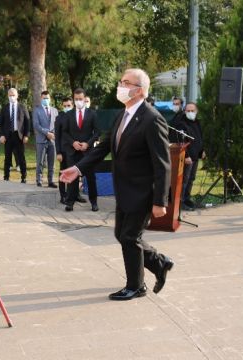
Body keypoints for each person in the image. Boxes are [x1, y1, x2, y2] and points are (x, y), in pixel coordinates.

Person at [60, 68, 174, 301]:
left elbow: (162, 164)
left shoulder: (152, 119)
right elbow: (103, 147)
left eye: (126, 82)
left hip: (142, 191)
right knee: (122, 235)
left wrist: (160, 201)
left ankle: (136, 285)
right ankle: (158, 263)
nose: (120, 86)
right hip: (123, 189)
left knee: (130, 237)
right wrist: (78, 168)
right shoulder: (123, 114)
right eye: (121, 81)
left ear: (139, 90)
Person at [62, 88, 100, 212]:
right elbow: (64, 132)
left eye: (80, 99)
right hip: (73, 152)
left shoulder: (92, 114)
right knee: (72, 177)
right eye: (76, 99)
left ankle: (94, 202)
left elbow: (97, 132)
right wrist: (73, 142)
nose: (78, 101)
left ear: (84, 99)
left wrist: (88, 144)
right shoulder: (68, 115)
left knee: (90, 177)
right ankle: (70, 202)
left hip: (87, 152)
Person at [170, 102, 204, 210]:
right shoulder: (181, 124)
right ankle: (180, 201)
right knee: (184, 180)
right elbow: (181, 141)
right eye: (188, 111)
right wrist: (186, 156)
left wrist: (202, 150)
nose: (190, 113)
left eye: (192, 111)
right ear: (184, 112)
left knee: (191, 179)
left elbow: (200, 137)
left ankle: (186, 198)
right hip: (187, 157)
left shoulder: (197, 122)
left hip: (195, 156)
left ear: (196, 111)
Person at [0, 88, 30, 183]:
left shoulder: (22, 107)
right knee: (7, 157)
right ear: (8, 96)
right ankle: (6, 176)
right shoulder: (5, 108)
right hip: (8, 136)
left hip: (19, 136)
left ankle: (24, 177)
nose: (11, 97)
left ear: (17, 95)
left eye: (13, 95)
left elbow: (27, 122)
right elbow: (0, 123)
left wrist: (26, 135)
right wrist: (2, 135)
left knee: (21, 157)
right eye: (10, 95)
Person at [32, 90, 59, 188]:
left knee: (52, 162)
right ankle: (39, 180)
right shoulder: (36, 110)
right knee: (40, 161)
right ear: (41, 99)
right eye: (44, 98)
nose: (46, 100)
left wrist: (53, 134)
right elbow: (36, 125)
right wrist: (47, 132)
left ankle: (50, 181)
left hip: (52, 140)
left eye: (47, 98)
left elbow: (57, 124)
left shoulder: (55, 110)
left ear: (50, 98)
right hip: (41, 139)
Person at [55, 97, 73, 204]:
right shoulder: (59, 118)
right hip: (63, 151)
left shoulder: (76, 116)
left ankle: (71, 195)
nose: (66, 107)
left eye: (69, 106)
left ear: (72, 105)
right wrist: (58, 152)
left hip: (74, 151)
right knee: (63, 173)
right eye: (65, 106)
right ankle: (63, 196)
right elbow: (57, 136)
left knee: (73, 174)